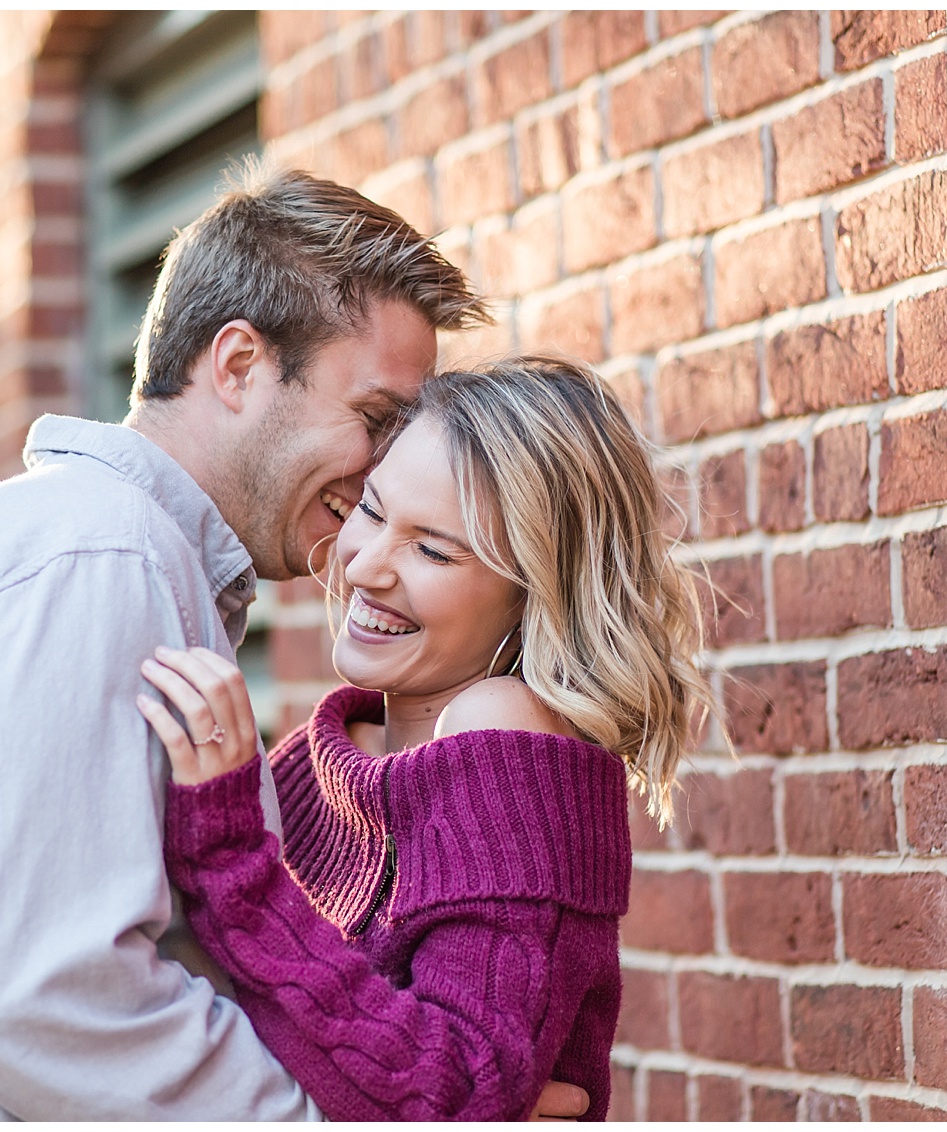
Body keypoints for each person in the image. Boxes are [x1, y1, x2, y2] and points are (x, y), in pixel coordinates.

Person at [0, 165, 508, 1119]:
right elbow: (42, 997)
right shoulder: (96, 561)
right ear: (238, 365)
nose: (388, 467)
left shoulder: (100, 555)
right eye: (375, 419)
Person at [137, 357, 719, 1121]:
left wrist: (228, 859)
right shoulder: (319, 766)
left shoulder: (502, 729)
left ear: (533, 591)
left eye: (433, 550)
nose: (366, 565)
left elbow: (452, 1093)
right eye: (372, 511)